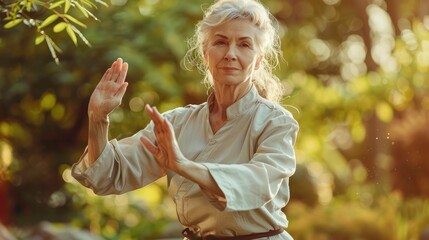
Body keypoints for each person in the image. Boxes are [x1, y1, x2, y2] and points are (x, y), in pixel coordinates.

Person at [71, 0, 299, 239]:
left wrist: (183, 166)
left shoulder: (276, 122)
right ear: (204, 53)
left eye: (244, 45)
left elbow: (259, 183)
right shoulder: (177, 123)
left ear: (259, 60)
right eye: (220, 42)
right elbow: (108, 176)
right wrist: (97, 118)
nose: (231, 54)